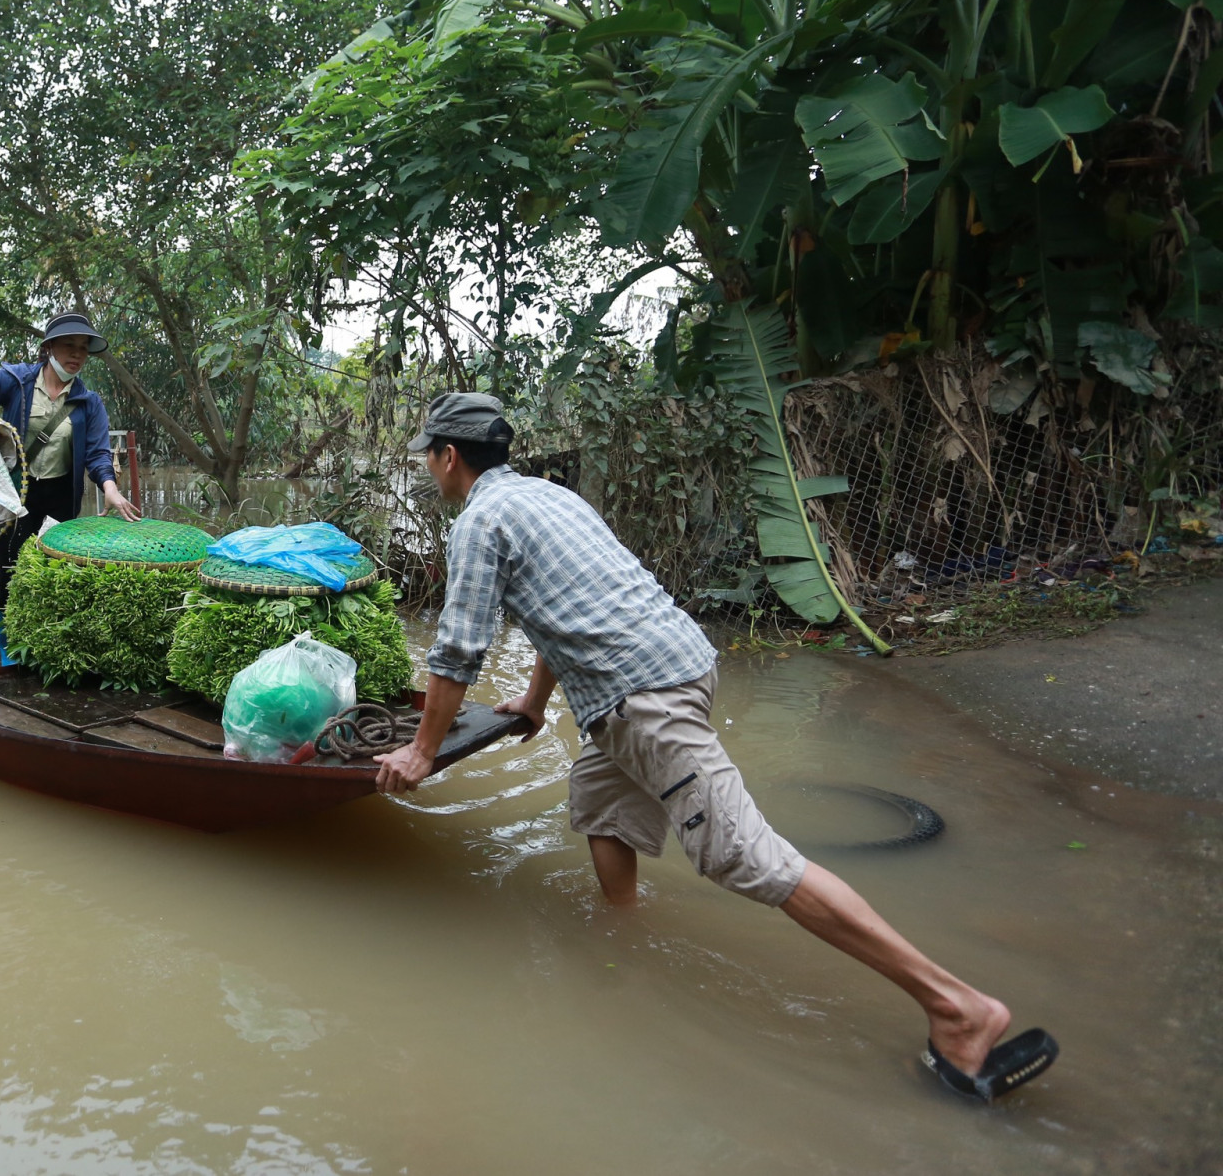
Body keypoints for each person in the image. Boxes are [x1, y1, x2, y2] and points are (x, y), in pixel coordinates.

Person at [374, 392, 1058, 1103]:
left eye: (429, 454)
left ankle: (957, 1008)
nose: (430, 466)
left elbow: (457, 649)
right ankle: (625, 937)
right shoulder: (549, 498)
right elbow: (570, 603)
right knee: (601, 800)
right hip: (669, 668)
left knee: (748, 855)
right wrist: (537, 700)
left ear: (447, 456)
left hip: (645, 697)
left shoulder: (479, 519)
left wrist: (422, 752)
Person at [0, 311, 141, 590]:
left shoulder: (89, 403)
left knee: (53, 572)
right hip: (15, 493)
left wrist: (109, 488)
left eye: (83, 348)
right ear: (49, 347)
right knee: (10, 574)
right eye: (69, 346)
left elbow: (97, 454)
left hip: (60, 497)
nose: (77, 355)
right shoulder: (17, 382)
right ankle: (5, 632)